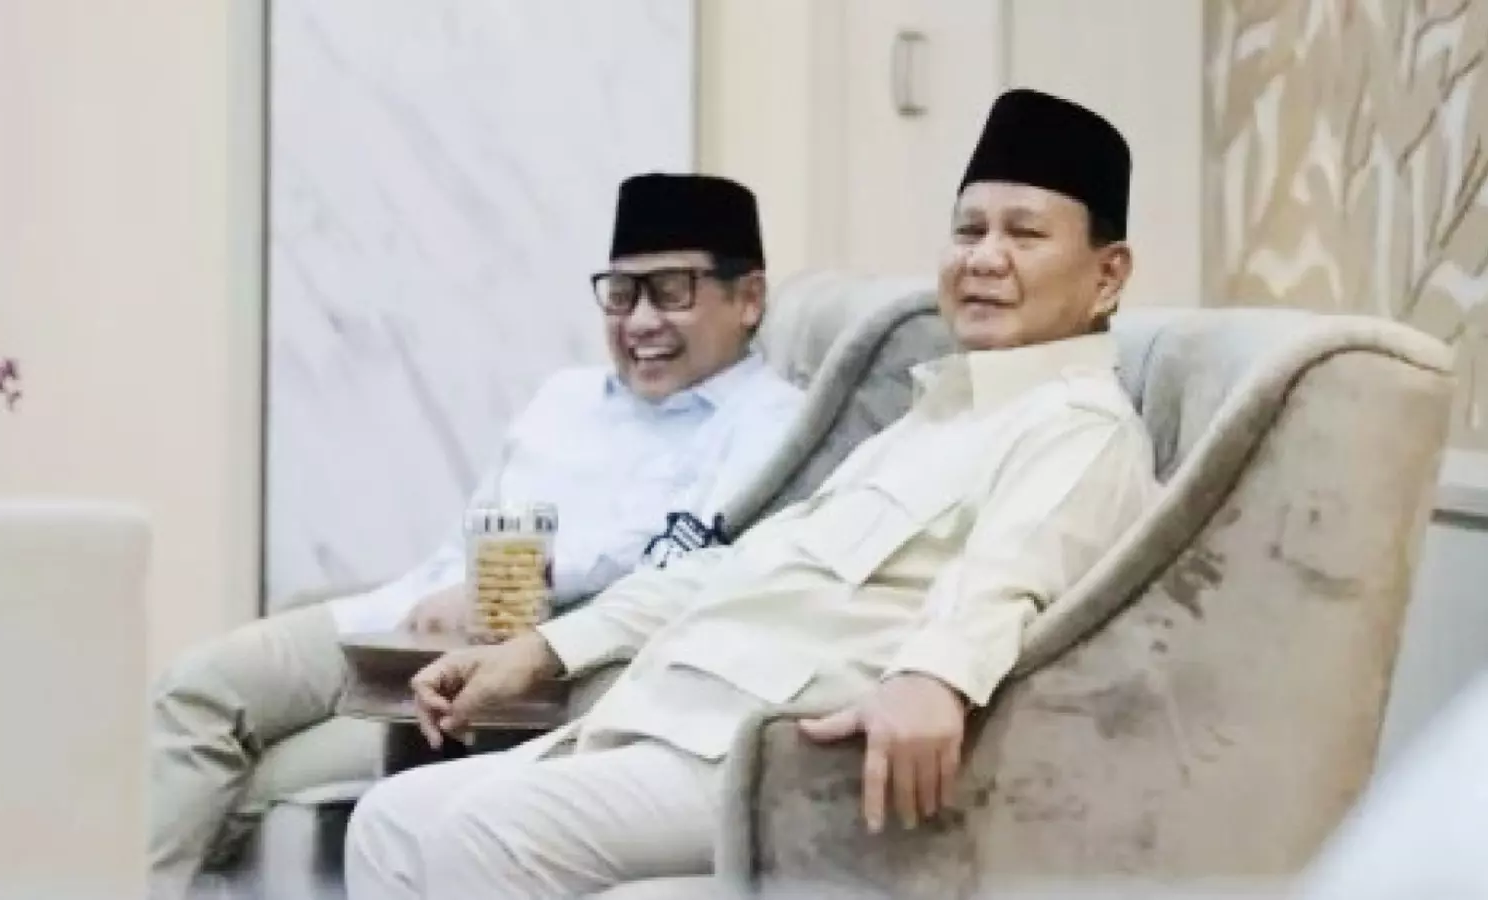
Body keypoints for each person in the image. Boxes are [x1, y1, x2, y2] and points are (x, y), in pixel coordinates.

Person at [344, 88, 1160, 900]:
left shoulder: (1079, 427)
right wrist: (544, 650)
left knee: (485, 835)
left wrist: (932, 678)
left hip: (783, 757)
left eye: (1024, 234)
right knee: (391, 821)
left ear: (1108, 275)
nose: (983, 258)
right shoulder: (935, 415)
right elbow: (740, 566)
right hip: (679, 709)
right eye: (968, 230)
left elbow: (1007, 579)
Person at [147, 173, 805, 898]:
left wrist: (509, 589)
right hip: (403, 622)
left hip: (530, 675)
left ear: (748, 299)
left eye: (672, 291)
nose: (641, 322)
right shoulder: (566, 397)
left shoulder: (773, 426)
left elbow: (679, 570)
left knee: (252, 785)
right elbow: (476, 525)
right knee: (199, 687)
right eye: (621, 295)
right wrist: (447, 592)